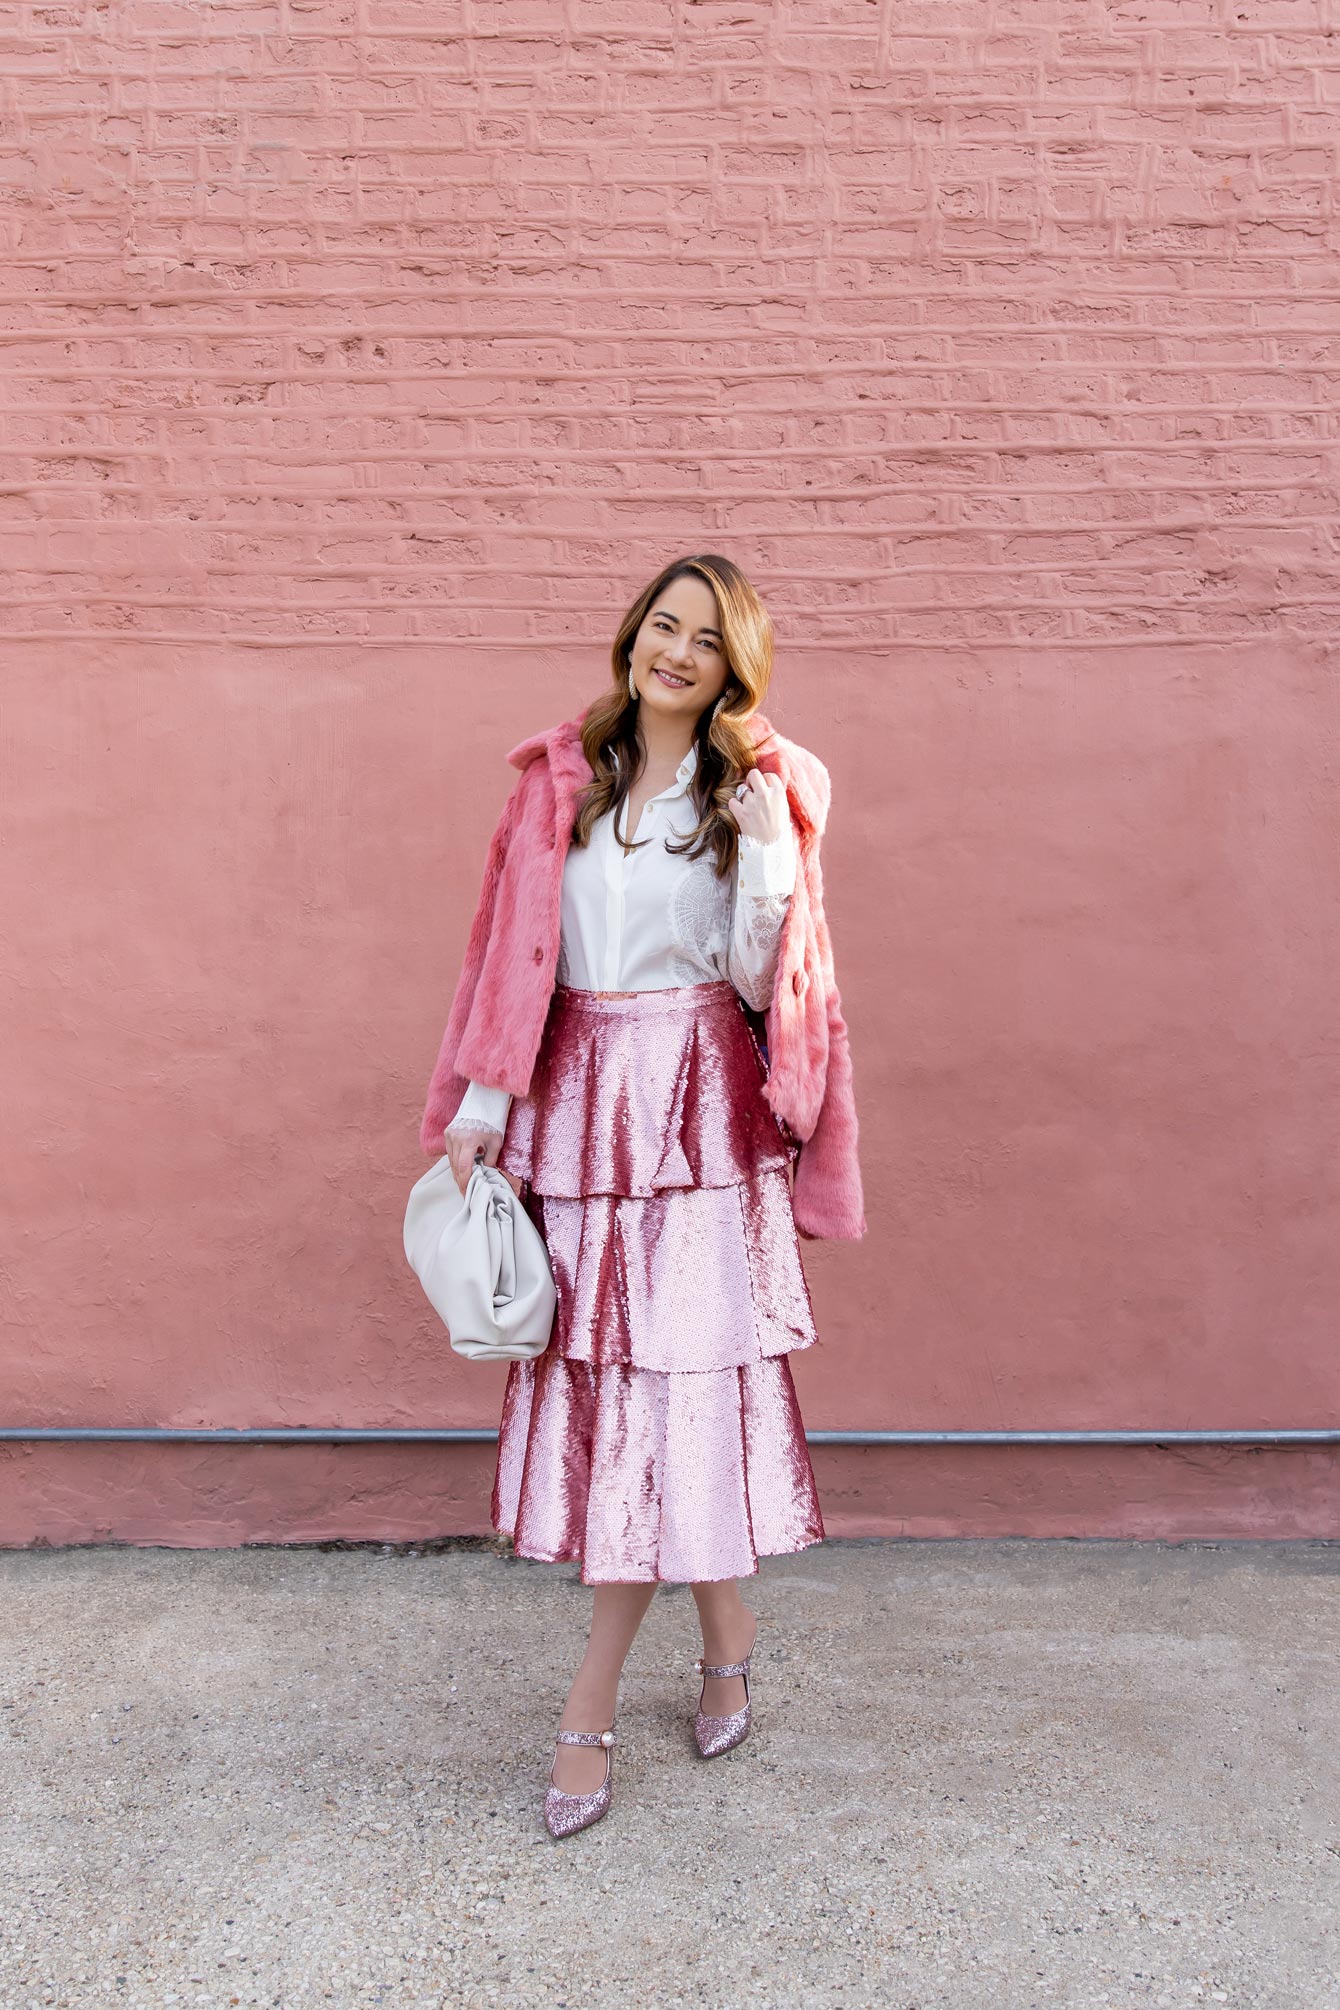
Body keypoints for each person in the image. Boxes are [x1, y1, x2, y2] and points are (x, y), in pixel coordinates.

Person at [418, 553, 866, 1838]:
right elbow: (514, 961)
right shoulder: (559, 785)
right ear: (631, 638)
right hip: (575, 1116)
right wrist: (480, 1110)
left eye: (705, 640)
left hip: (694, 1122)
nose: (675, 651)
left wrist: (771, 857)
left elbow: (755, 975)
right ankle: (726, 1625)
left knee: (670, 1394)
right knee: (614, 1399)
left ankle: (587, 1708)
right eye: (662, 626)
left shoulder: (750, 796)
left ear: (734, 669)